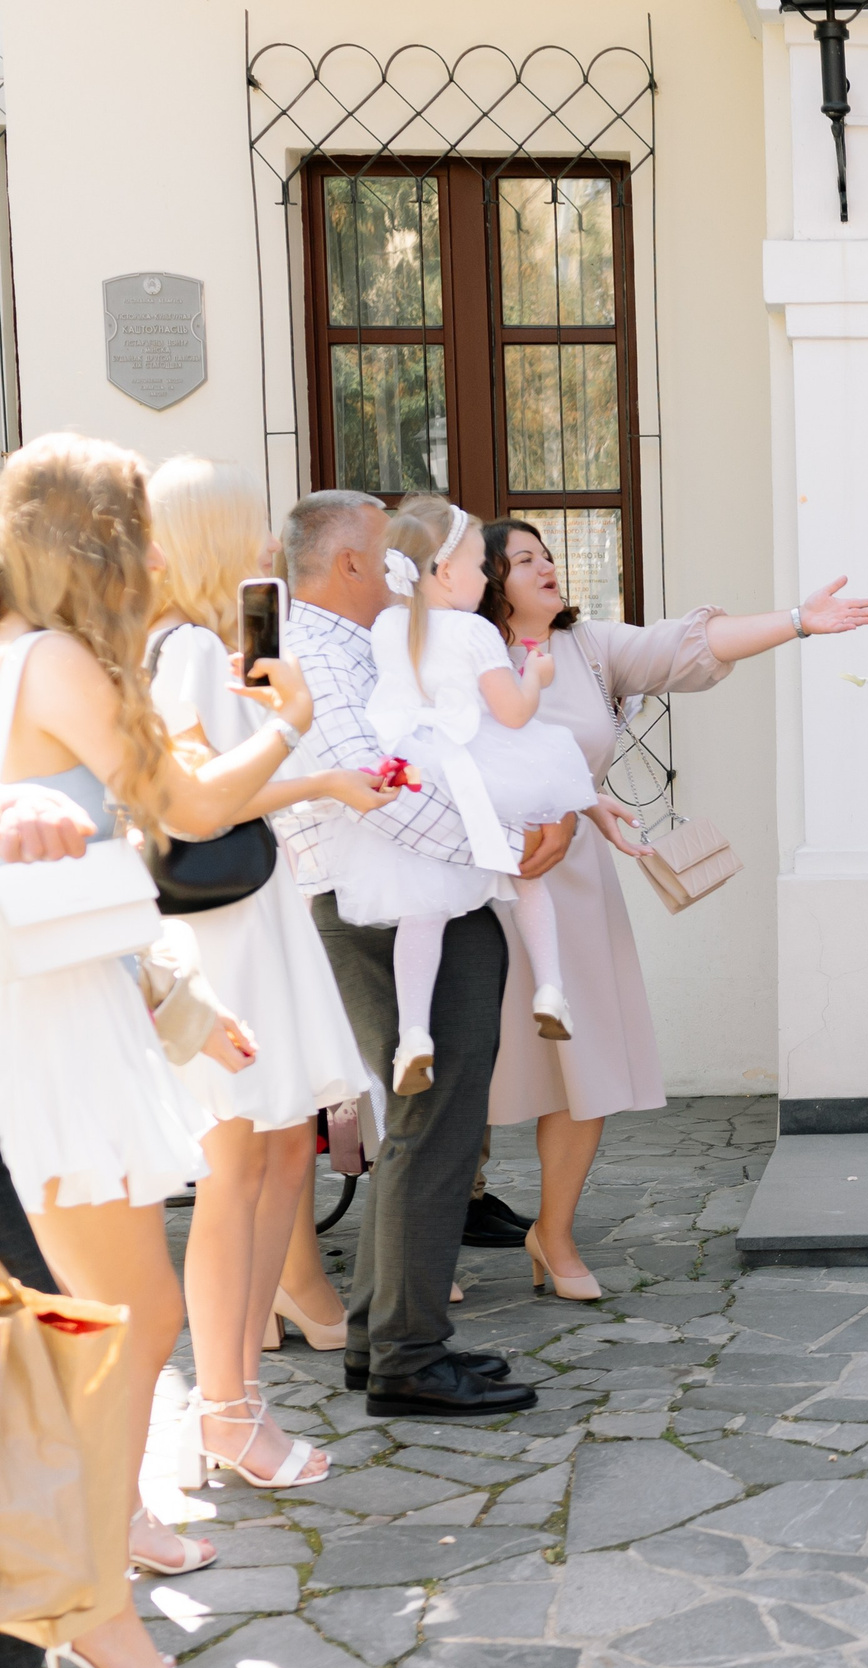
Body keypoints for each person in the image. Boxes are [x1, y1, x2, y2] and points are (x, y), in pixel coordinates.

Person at [1, 431, 331, 1668]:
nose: (151, 553)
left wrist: (176, 1001)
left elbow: (101, 852)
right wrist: (287, 730)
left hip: (73, 1005)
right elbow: (191, 809)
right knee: (117, 1327)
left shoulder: (32, 656)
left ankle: (101, 1560)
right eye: (134, 528)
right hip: (53, 1027)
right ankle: (91, 1607)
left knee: (101, 1323)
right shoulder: (59, 660)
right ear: (100, 542)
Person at [474, 519, 868, 1296]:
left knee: (580, 1067)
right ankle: (425, 1245)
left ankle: (552, 1235)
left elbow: (689, 646)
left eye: (547, 553)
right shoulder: (461, 655)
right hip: (480, 877)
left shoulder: (588, 647)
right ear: (488, 581)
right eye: (524, 559)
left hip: (577, 880)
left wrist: (797, 620)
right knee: (472, 1069)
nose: (546, 566)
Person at [279, 489, 566, 1419]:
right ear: (355, 564)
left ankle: (381, 1336)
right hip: (387, 905)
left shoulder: (370, 639)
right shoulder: (318, 648)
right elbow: (385, 789)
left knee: (429, 1120)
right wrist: (498, 843)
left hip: (428, 892)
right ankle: (406, 1353)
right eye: (387, 551)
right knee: (431, 1119)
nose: (402, 564)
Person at [143, 455, 389, 1492]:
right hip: (231, 928)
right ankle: (227, 1405)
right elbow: (200, 798)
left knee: (278, 1151)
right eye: (249, 527)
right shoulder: (193, 646)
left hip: (253, 919)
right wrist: (321, 767)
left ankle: (232, 1399)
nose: (264, 550)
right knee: (238, 1169)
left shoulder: (198, 644)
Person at [338, 500, 595, 1101]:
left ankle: (414, 1035)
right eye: (481, 566)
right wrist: (537, 675)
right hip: (480, 767)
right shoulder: (474, 631)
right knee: (527, 875)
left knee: (421, 910)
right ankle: (550, 988)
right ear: (445, 571)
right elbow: (512, 713)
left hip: (419, 770)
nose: (486, 580)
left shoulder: (386, 627)